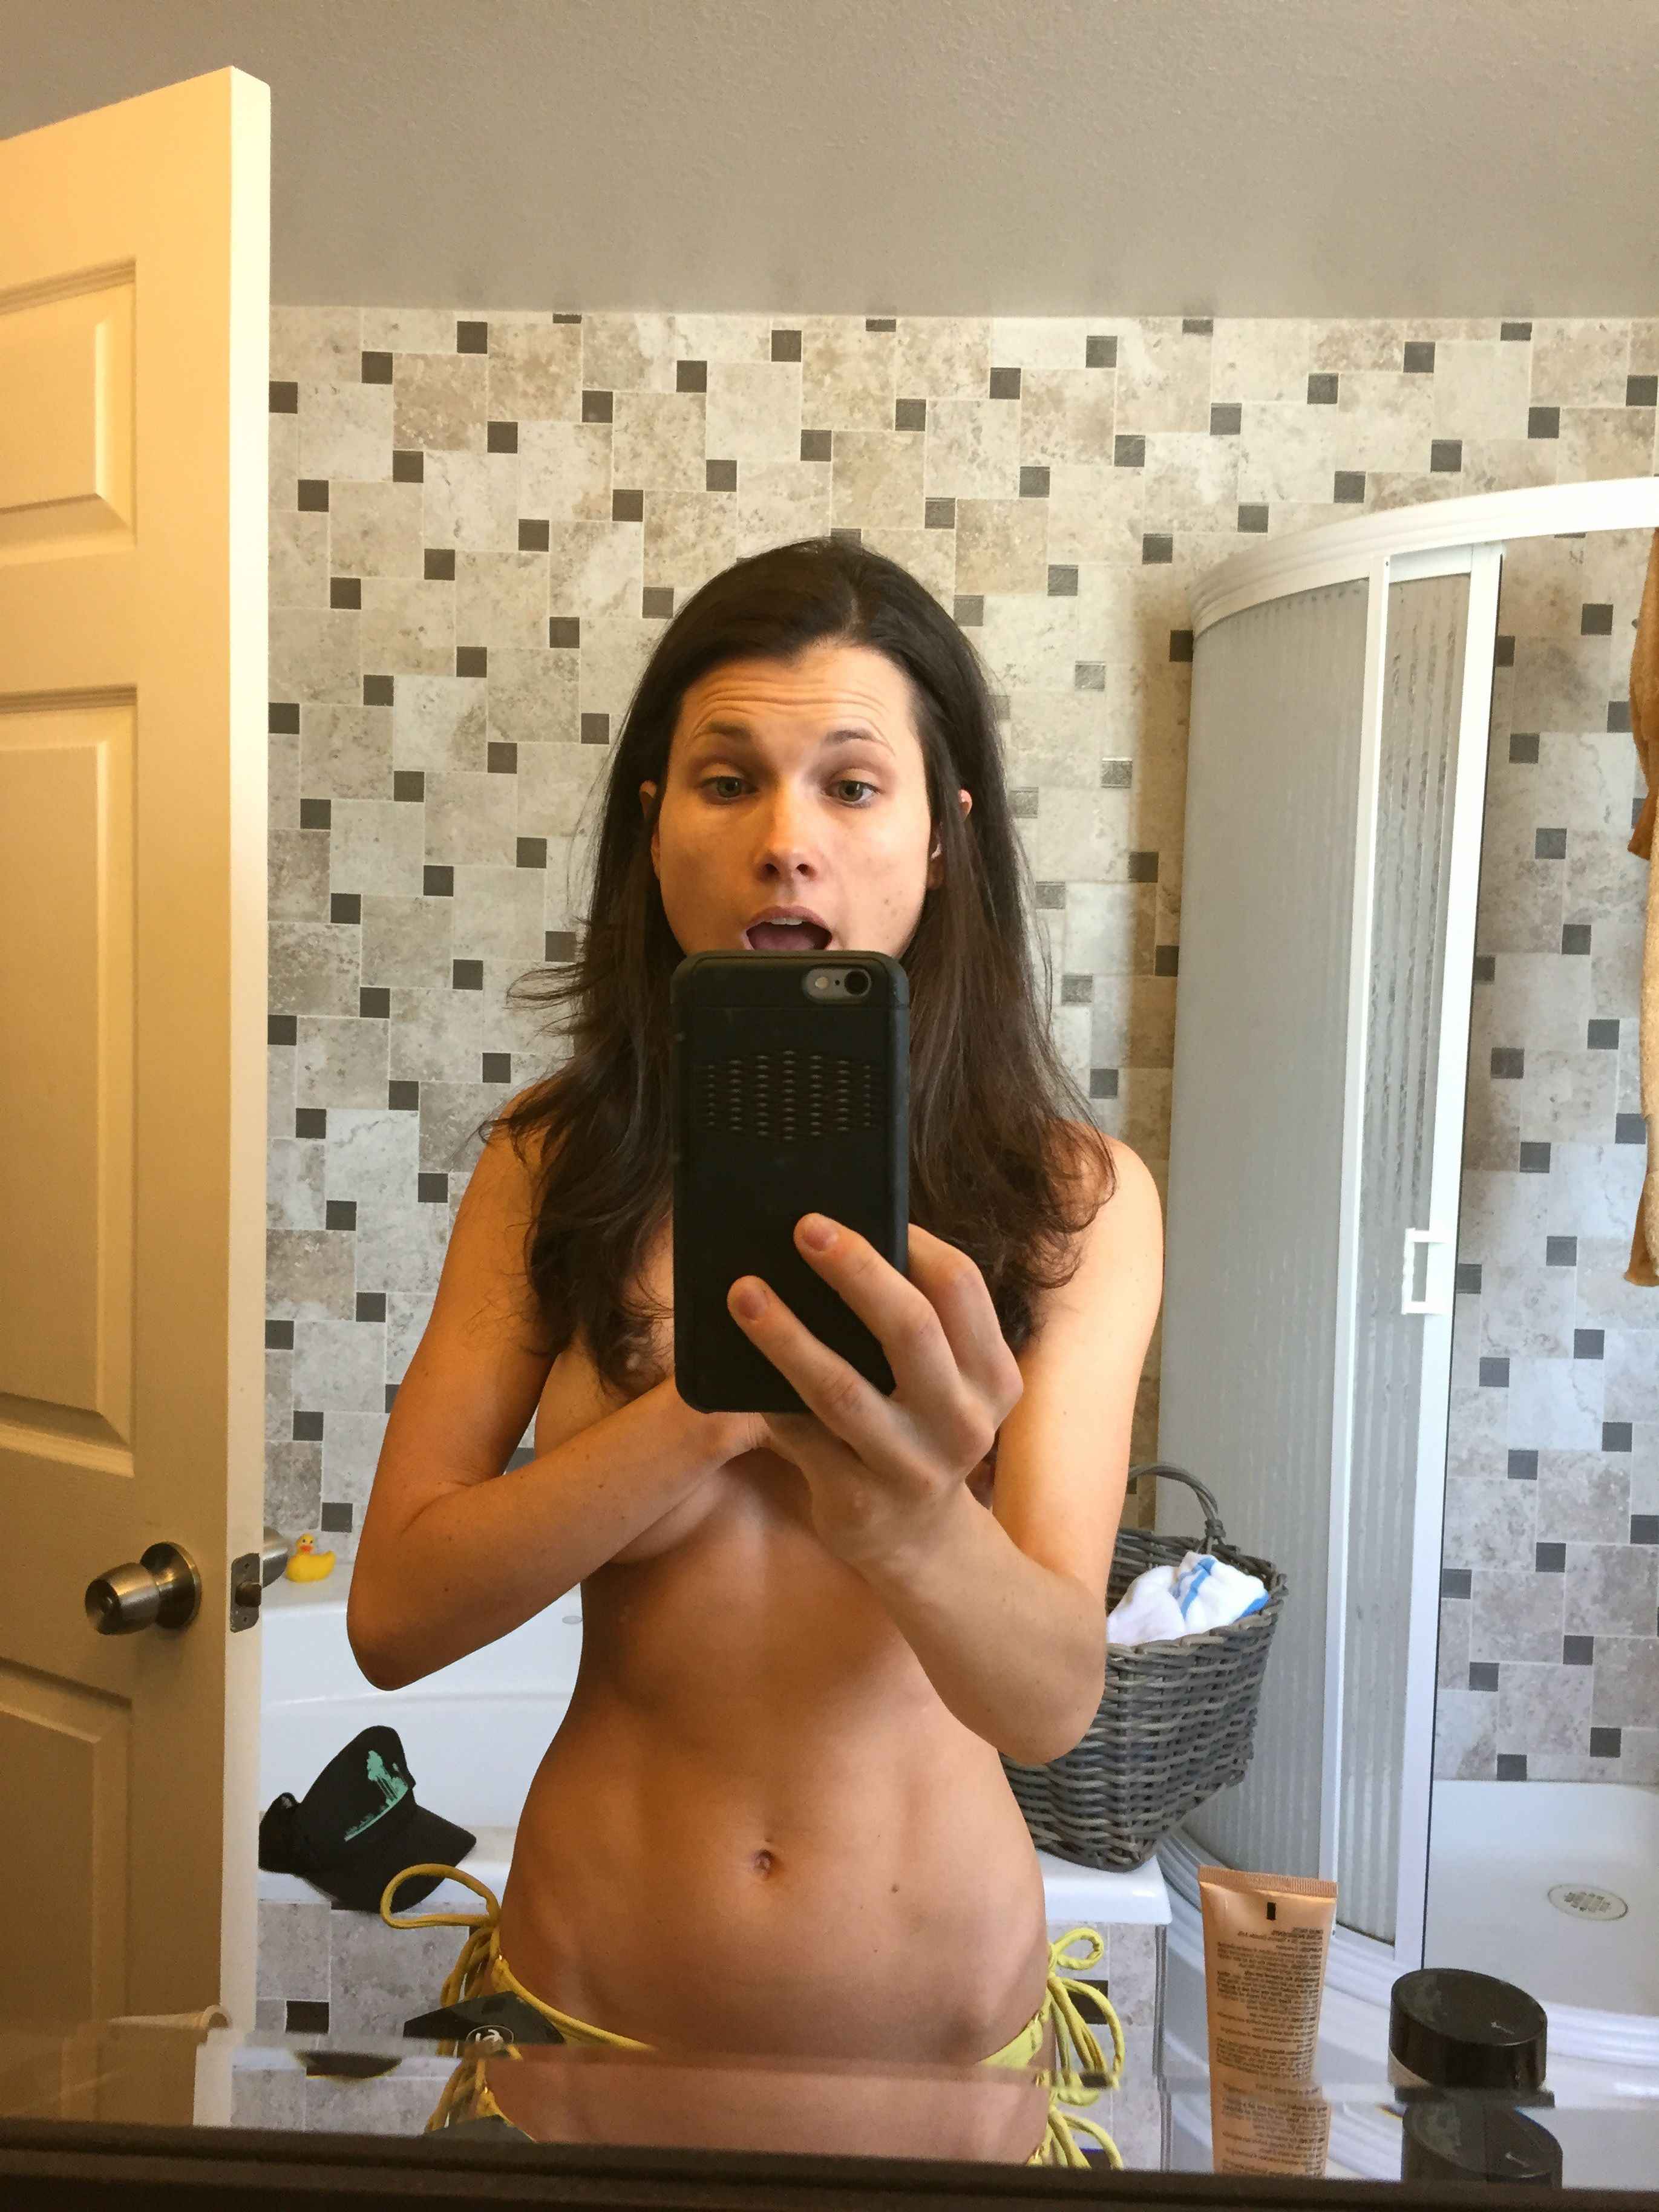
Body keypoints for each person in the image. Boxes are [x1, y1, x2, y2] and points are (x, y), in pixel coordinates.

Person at [348, 536, 1165, 2165]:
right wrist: (714, 1406)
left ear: (943, 836)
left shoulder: (1072, 1201)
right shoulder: (551, 1164)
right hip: (579, 2055)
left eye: (853, 787)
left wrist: (909, 1516)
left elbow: (1048, 1700)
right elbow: (393, 1617)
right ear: (655, 823)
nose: (786, 839)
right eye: (728, 781)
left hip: (944, 2090)